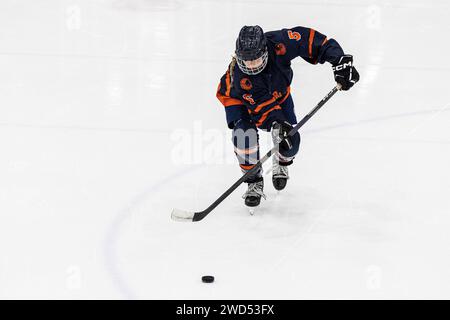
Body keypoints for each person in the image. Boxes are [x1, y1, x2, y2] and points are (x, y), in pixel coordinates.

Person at [216, 25, 359, 208]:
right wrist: (278, 123)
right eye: (246, 61)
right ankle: (254, 181)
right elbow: (262, 111)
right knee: (244, 135)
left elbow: (313, 41)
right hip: (238, 97)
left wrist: (339, 61)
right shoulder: (242, 78)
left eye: (256, 60)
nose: (251, 66)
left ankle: (281, 160)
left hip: (278, 93)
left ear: (265, 51)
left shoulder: (280, 43)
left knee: (291, 142)